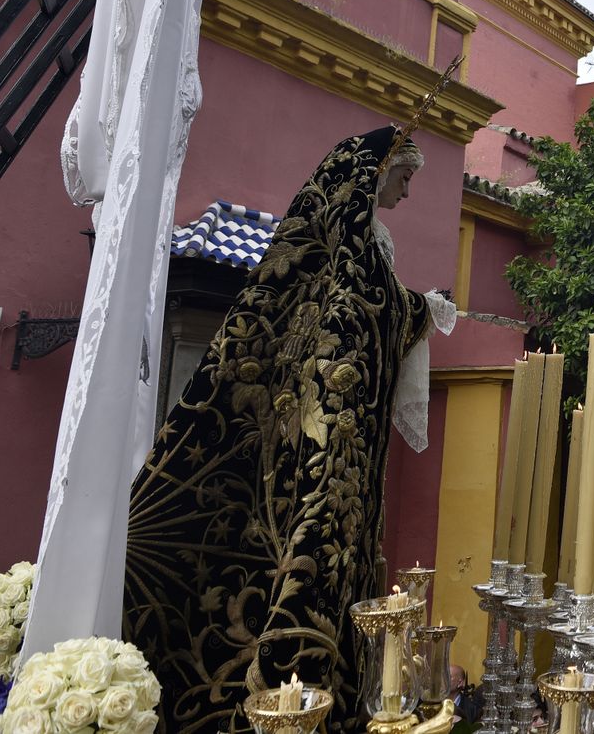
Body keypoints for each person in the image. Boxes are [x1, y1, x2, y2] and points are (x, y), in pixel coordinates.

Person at [124, 127, 457, 732]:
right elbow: (360, 311)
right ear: (373, 175)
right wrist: (421, 309)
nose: (409, 193)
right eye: (405, 178)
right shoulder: (343, 244)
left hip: (341, 446)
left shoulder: (367, 243)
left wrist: (416, 308)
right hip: (309, 439)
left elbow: (370, 309)